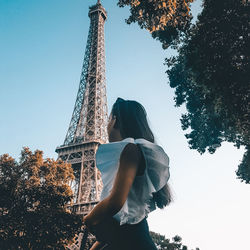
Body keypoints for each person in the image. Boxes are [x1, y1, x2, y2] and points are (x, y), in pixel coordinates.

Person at [83, 98, 173, 250]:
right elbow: (117, 231)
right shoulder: (135, 151)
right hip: (134, 240)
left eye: (109, 119)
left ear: (115, 120)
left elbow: (115, 202)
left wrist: (89, 218)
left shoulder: (130, 149)